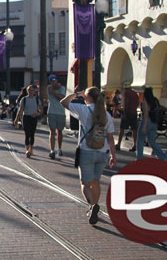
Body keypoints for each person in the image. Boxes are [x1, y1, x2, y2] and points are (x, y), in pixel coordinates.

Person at [61, 86, 116, 225]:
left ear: (87, 97)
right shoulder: (106, 114)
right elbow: (110, 138)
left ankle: (92, 206)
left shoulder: (84, 110)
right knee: (96, 181)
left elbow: (64, 102)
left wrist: (76, 94)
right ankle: (94, 206)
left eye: (85, 95)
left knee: (85, 184)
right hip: (101, 152)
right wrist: (113, 156)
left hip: (86, 151)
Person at [136, 87, 167, 161]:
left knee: (140, 141)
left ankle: (139, 159)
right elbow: (160, 107)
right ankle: (163, 157)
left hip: (147, 122)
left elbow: (146, 114)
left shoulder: (145, 102)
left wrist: (144, 126)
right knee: (152, 142)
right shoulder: (155, 100)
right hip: (154, 122)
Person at [15, 85, 43, 157]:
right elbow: (20, 110)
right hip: (26, 117)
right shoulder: (24, 99)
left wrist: (37, 113)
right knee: (27, 134)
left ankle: (31, 149)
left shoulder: (37, 99)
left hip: (33, 118)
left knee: (32, 134)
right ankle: (27, 150)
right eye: (29, 90)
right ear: (27, 91)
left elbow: (41, 110)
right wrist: (16, 119)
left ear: (34, 91)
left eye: (32, 90)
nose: (30, 92)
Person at [47, 74, 66, 159]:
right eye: (51, 80)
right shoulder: (49, 87)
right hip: (51, 112)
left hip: (61, 112)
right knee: (52, 131)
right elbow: (52, 88)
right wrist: (54, 89)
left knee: (60, 132)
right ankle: (52, 150)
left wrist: (54, 92)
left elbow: (61, 97)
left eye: (54, 79)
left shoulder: (62, 88)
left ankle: (59, 148)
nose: (53, 81)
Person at [116, 82, 139, 152]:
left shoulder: (126, 93)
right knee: (134, 129)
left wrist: (124, 111)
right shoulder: (135, 93)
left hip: (127, 113)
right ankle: (135, 145)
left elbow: (126, 102)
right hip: (134, 113)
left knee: (122, 129)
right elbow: (137, 103)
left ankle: (118, 144)